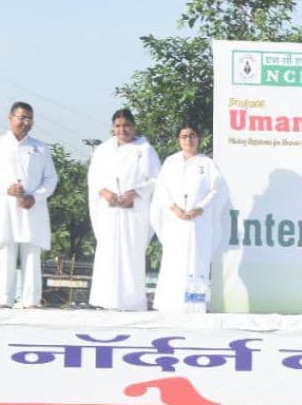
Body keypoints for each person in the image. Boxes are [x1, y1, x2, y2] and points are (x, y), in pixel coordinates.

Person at [0, 102, 58, 308]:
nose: (25, 122)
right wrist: (6, 189)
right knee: (6, 253)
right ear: (10, 118)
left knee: (31, 254)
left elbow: (50, 179)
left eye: (29, 118)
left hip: (32, 209)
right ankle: (4, 301)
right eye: (21, 118)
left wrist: (36, 197)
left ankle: (31, 302)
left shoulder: (40, 147)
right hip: (5, 208)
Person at [87, 108, 161, 310]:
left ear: (134, 126)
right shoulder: (102, 150)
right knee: (108, 255)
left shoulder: (145, 150)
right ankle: (106, 301)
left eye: (126, 125)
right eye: (118, 126)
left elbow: (156, 180)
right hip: (109, 210)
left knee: (131, 255)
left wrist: (135, 193)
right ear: (113, 127)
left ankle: (132, 303)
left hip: (133, 211)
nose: (122, 129)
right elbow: (94, 178)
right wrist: (105, 193)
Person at [149, 125, 228, 312]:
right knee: (174, 263)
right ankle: (171, 305)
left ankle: (194, 304)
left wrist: (200, 209)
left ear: (198, 139)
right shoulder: (170, 162)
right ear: (178, 139)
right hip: (175, 222)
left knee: (196, 263)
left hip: (198, 223)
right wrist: (175, 208)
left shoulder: (207, 164)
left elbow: (217, 191)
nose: (188, 140)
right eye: (184, 136)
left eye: (192, 136)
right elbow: (162, 189)